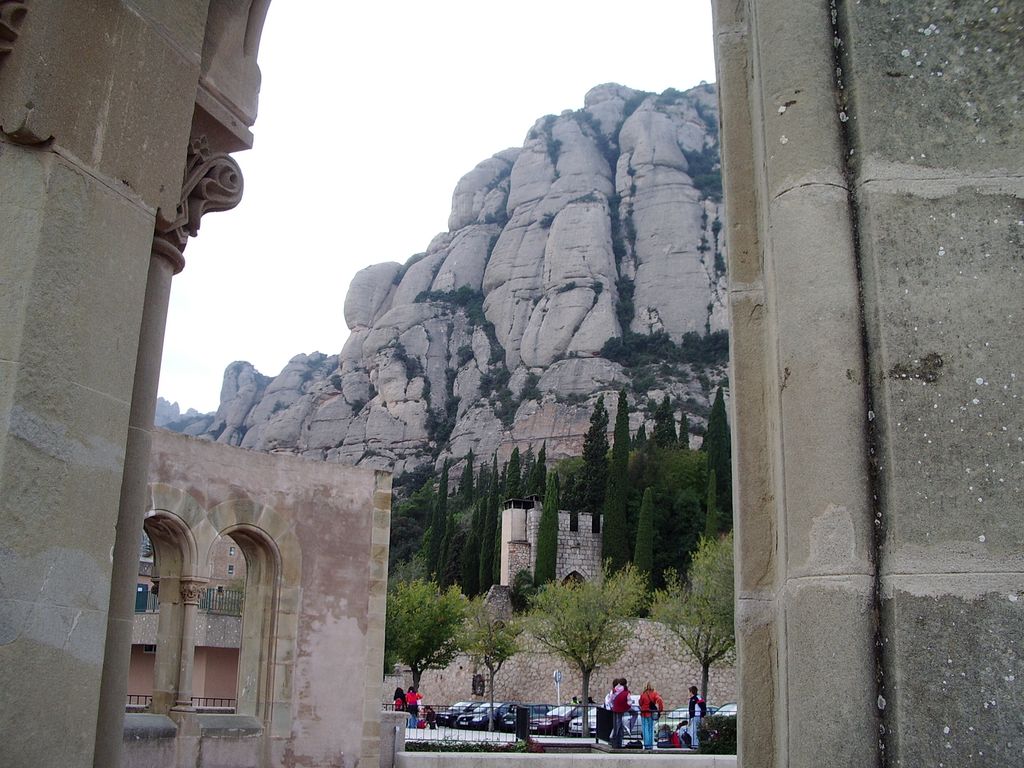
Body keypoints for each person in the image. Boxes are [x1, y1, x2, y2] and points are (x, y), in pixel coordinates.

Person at [638, 681, 664, 749]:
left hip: (644, 713)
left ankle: (646, 745)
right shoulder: (654, 694)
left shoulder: (643, 694)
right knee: (651, 729)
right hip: (651, 713)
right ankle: (651, 744)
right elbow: (660, 700)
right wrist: (660, 709)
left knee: (645, 729)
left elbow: (640, 703)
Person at [608, 677, 630, 748]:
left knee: (617, 724)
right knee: (618, 725)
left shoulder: (614, 690)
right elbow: (628, 701)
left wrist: (612, 706)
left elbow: (610, 699)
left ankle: (615, 743)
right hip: (621, 709)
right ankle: (616, 741)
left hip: (615, 708)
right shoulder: (625, 691)